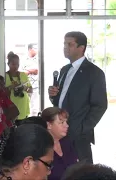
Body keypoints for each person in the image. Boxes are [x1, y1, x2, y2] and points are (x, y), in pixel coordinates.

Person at [48, 31, 108, 162]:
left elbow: (100, 105)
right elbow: (60, 100)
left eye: (70, 44)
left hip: (79, 135)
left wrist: (82, 127)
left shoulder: (94, 73)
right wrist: (53, 95)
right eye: (64, 44)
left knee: (81, 172)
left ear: (82, 48)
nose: (65, 47)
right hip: (60, 131)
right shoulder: (64, 70)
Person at [6, 52, 32, 126]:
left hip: (23, 109)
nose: (16, 66)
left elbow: (31, 90)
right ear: (8, 64)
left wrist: (24, 87)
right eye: (13, 64)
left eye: (17, 64)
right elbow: (2, 92)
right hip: (11, 110)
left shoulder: (23, 75)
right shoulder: (5, 76)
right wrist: (11, 87)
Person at [23, 43, 40, 116]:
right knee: (25, 105)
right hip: (25, 86)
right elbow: (21, 73)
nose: (37, 50)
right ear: (30, 49)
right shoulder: (23, 59)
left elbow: (36, 71)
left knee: (34, 107)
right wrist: (30, 71)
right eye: (35, 48)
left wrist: (28, 71)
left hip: (35, 86)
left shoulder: (38, 59)